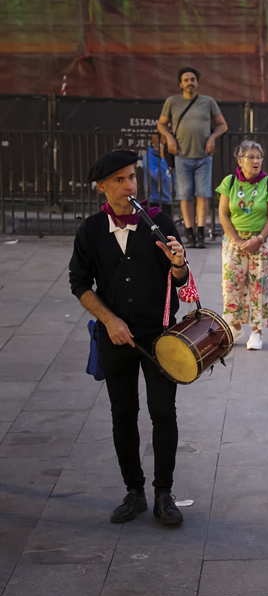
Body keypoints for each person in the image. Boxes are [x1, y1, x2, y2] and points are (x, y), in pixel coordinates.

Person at [69, 150, 189, 525]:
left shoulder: (158, 221)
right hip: (116, 338)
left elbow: (181, 281)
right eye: (119, 180)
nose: (129, 186)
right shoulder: (91, 230)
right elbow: (79, 283)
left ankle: (164, 493)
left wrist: (179, 263)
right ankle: (134, 492)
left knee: (163, 413)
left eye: (132, 177)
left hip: (159, 337)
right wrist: (109, 320)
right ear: (102, 187)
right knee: (123, 414)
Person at [215, 140, 268, 350]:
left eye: (258, 157)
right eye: (251, 157)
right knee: (231, 284)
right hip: (234, 241)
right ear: (240, 160)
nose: (256, 161)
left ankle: (256, 331)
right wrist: (236, 240)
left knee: (260, 287)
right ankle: (235, 327)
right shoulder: (229, 182)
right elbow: (223, 214)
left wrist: (258, 240)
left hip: (261, 242)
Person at [157, 66, 227, 249]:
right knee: (185, 195)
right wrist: (169, 137)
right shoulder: (172, 102)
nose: (190, 83)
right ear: (180, 84)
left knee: (203, 195)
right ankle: (189, 233)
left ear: (197, 82)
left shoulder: (208, 101)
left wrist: (212, 137)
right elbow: (161, 124)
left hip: (204, 156)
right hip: (181, 155)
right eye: (186, 80)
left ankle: (201, 232)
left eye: (193, 79)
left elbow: (222, 125)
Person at [144, 133, 173, 214]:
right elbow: (158, 176)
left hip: (167, 199)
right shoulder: (149, 158)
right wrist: (163, 158)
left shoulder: (169, 156)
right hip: (155, 200)